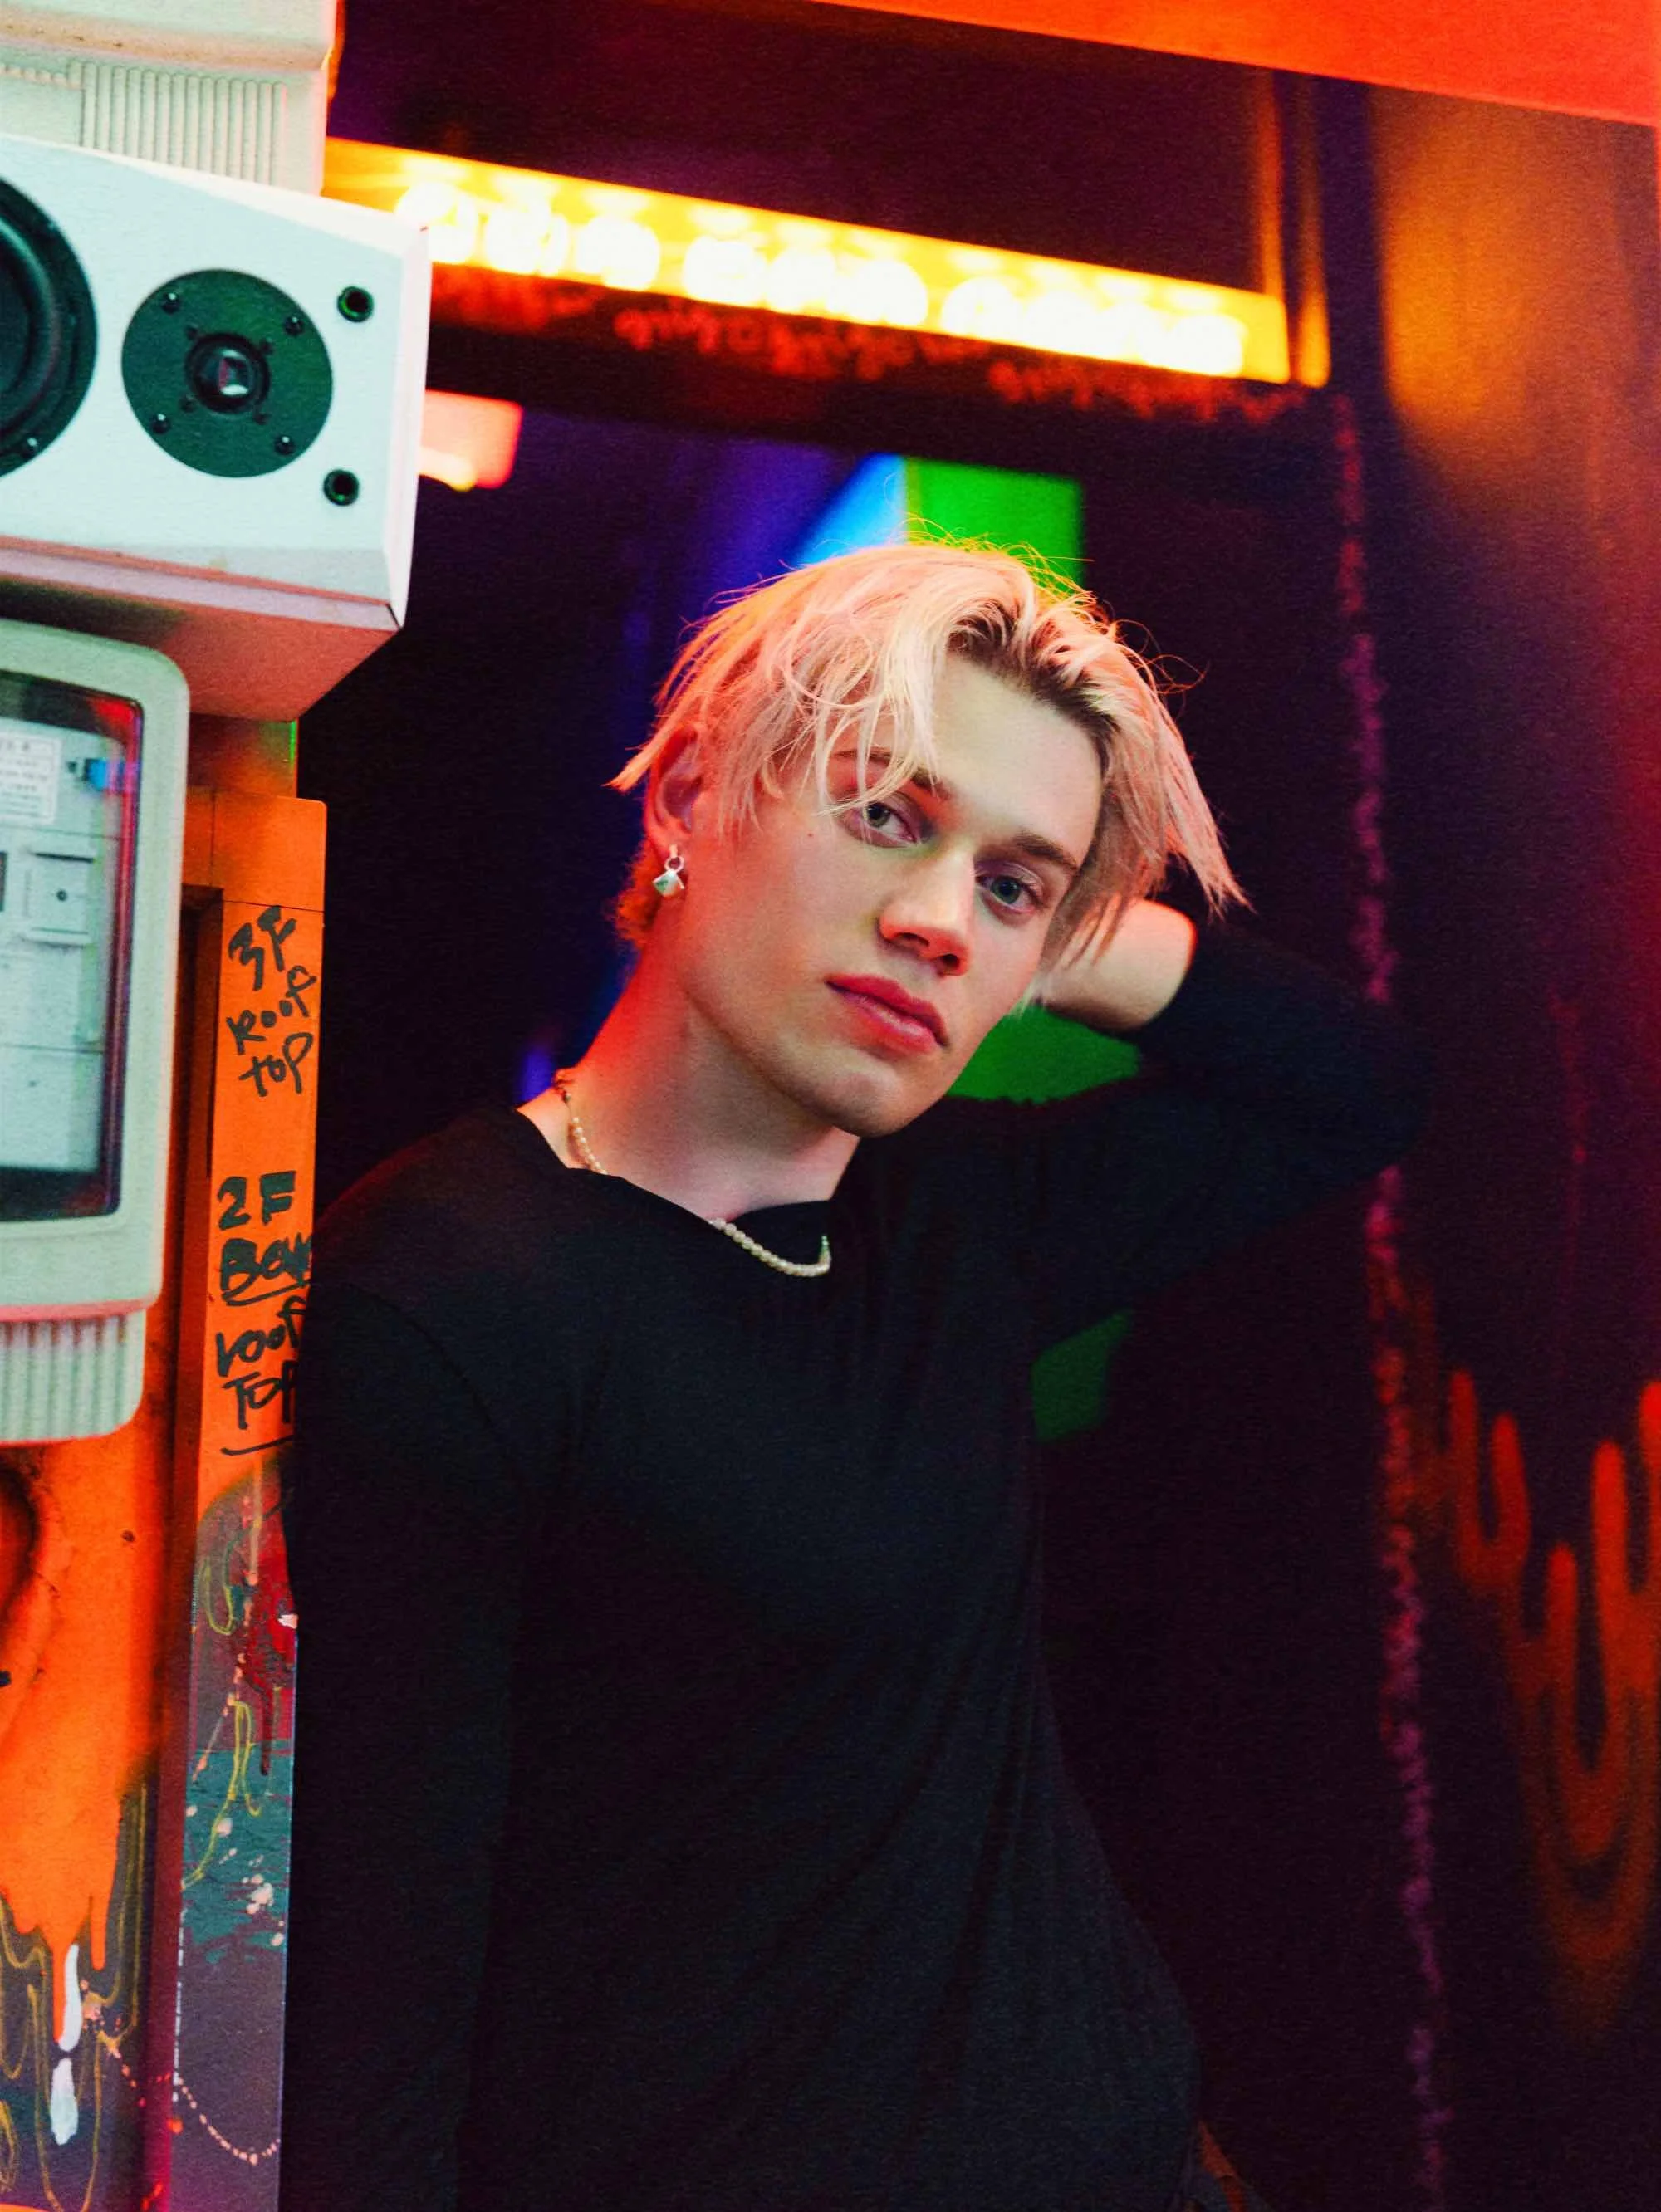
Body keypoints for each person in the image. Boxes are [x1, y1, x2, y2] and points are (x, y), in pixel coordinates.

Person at [277, 542, 1429, 2212]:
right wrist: (1002, 890)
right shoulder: (459, 1285)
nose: (935, 922)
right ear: (690, 795)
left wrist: (1051, 923)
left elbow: (1358, 1089)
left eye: (1009, 886)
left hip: (1140, 2166)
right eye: (885, 813)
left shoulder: (953, 1222)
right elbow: (380, 1944)